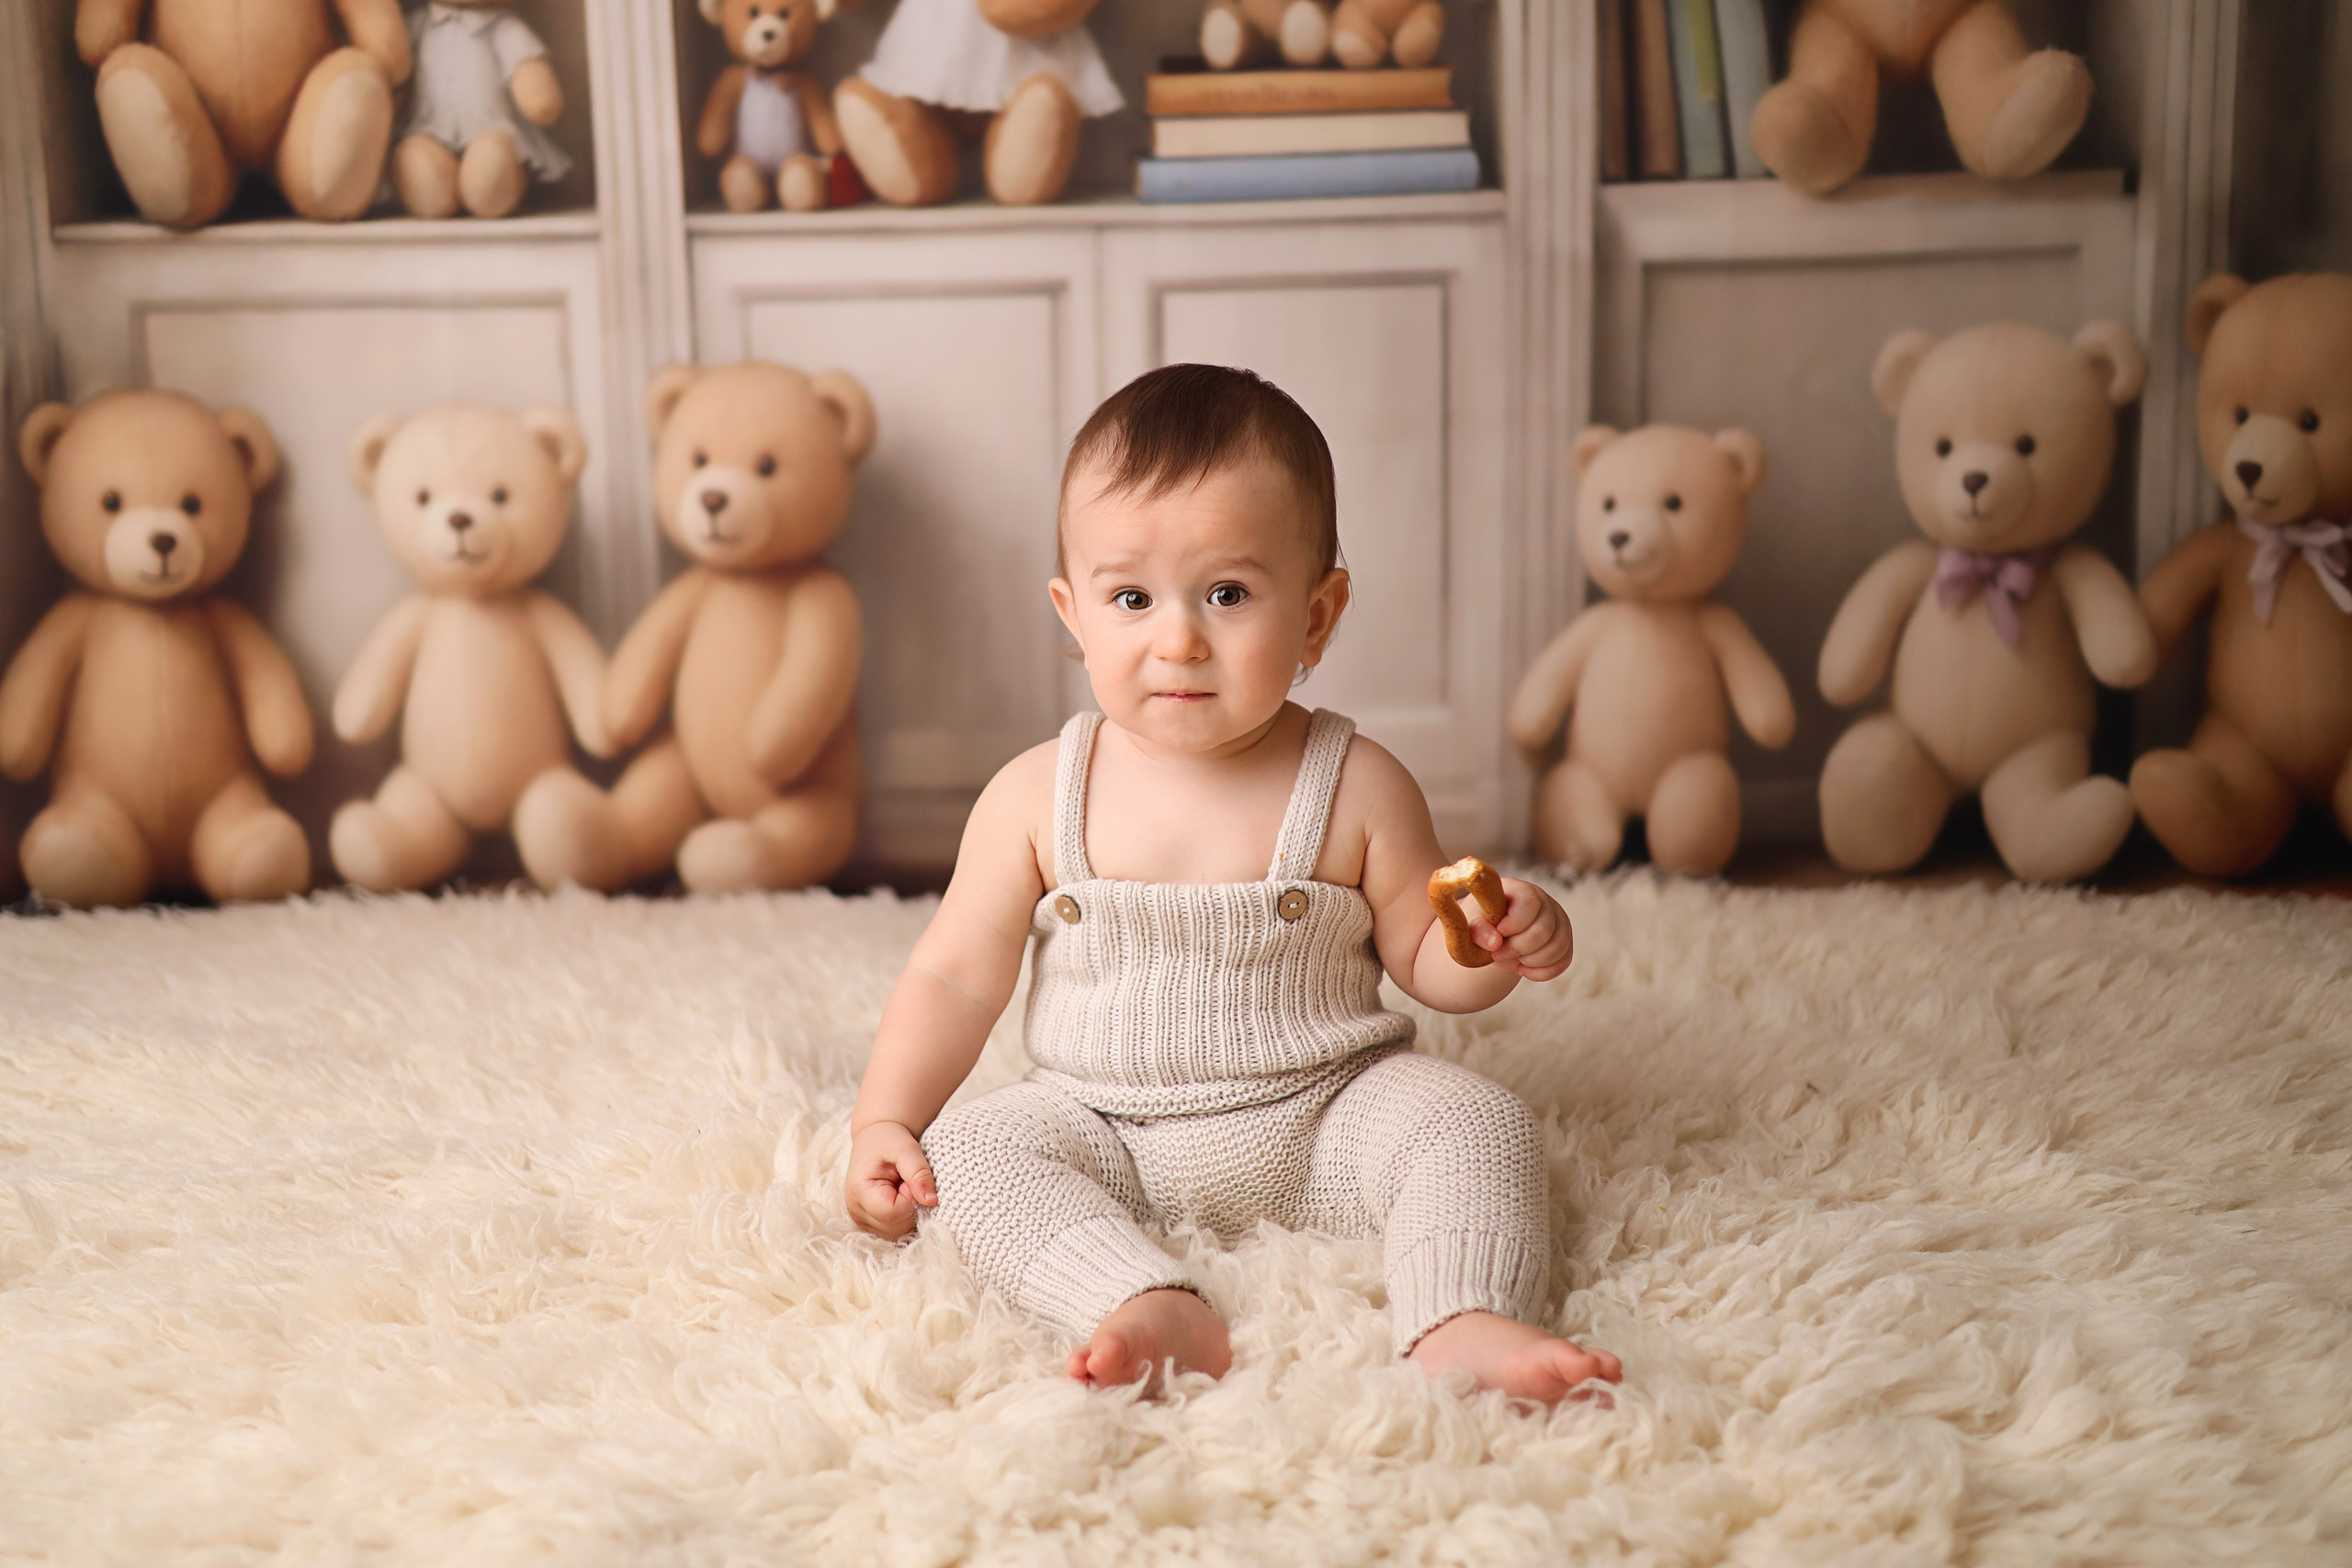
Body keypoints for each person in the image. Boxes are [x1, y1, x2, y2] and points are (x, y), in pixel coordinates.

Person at [844, 364, 1622, 1403]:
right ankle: (1137, 1301)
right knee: (971, 1154)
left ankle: (1464, 1316)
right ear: (1074, 615)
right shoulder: (1035, 794)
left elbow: (1424, 955)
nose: (1178, 640)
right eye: (1131, 599)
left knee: (1477, 1121)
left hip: (1326, 1113)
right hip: (1102, 1126)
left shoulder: (1356, 783)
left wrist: (1492, 948)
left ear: (1316, 615)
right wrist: (885, 1120)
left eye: (1227, 594)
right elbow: (952, 976)